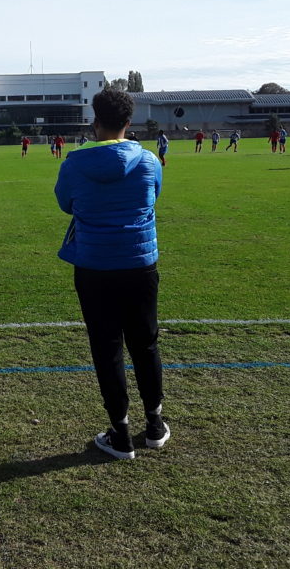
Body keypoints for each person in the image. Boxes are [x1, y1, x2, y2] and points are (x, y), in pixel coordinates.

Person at [55, 87, 170, 460]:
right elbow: (152, 196)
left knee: (107, 350)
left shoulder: (73, 164)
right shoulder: (149, 161)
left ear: (95, 121)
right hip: (140, 264)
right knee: (146, 343)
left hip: (94, 266)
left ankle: (120, 435)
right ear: (128, 122)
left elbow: (65, 203)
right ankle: (154, 425)